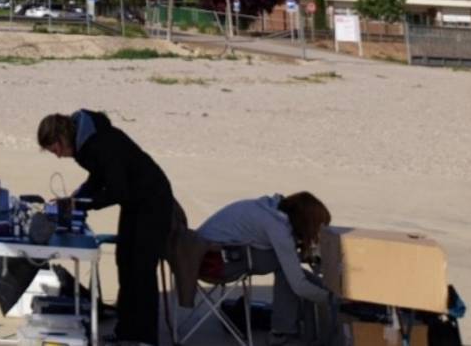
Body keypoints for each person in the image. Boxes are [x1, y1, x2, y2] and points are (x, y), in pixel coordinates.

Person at [38, 110, 174, 346]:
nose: (58, 156)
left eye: (55, 149)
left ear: (62, 137)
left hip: (153, 201)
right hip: (134, 202)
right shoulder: (85, 145)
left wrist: (82, 204)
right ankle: (126, 332)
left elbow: (116, 190)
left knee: (141, 267)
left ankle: (145, 338)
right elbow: (97, 178)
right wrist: (75, 198)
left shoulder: (101, 143)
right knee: (125, 262)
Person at [197, 192, 332, 343]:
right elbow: (298, 285)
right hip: (213, 263)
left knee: (289, 265)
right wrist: (330, 298)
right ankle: (281, 332)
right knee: (286, 270)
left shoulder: (272, 210)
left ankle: (294, 322)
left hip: (200, 255)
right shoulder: (277, 227)